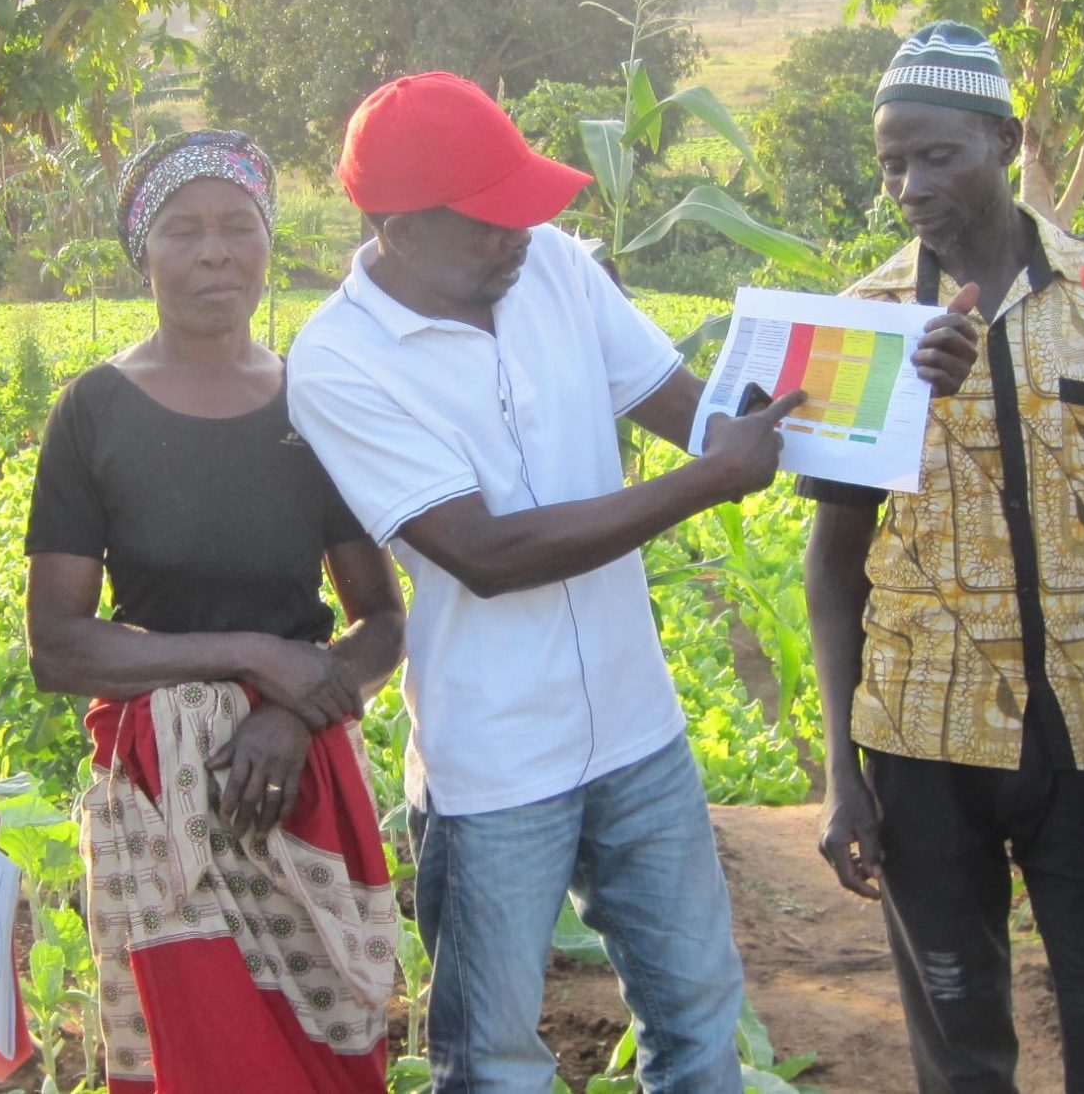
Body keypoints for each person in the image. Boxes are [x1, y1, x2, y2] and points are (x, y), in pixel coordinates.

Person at [286, 71, 977, 1091]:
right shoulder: (338, 360)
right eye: (490, 219)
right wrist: (706, 481)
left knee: (699, 1021)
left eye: (525, 206)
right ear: (394, 222)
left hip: (635, 729)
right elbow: (485, 552)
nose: (521, 232)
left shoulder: (555, 268)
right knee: (494, 1060)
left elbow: (695, 407)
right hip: (494, 768)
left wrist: (892, 382)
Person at [804, 21, 1084, 1093]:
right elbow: (833, 565)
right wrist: (844, 771)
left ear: (1006, 140)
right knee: (960, 1039)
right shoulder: (867, 322)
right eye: (891, 162)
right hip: (919, 735)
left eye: (938, 155)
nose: (910, 184)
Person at [23, 130, 409, 1093]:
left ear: (269, 242)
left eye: (239, 227)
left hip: (304, 771)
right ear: (141, 253)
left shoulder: (310, 404)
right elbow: (59, 646)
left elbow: (382, 624)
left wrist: (288, 711)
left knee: (332, 1051)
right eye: (184, 231)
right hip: (165, 788)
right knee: (205, 1056)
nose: (214, 252)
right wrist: (251, 656)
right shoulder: (95, 414)